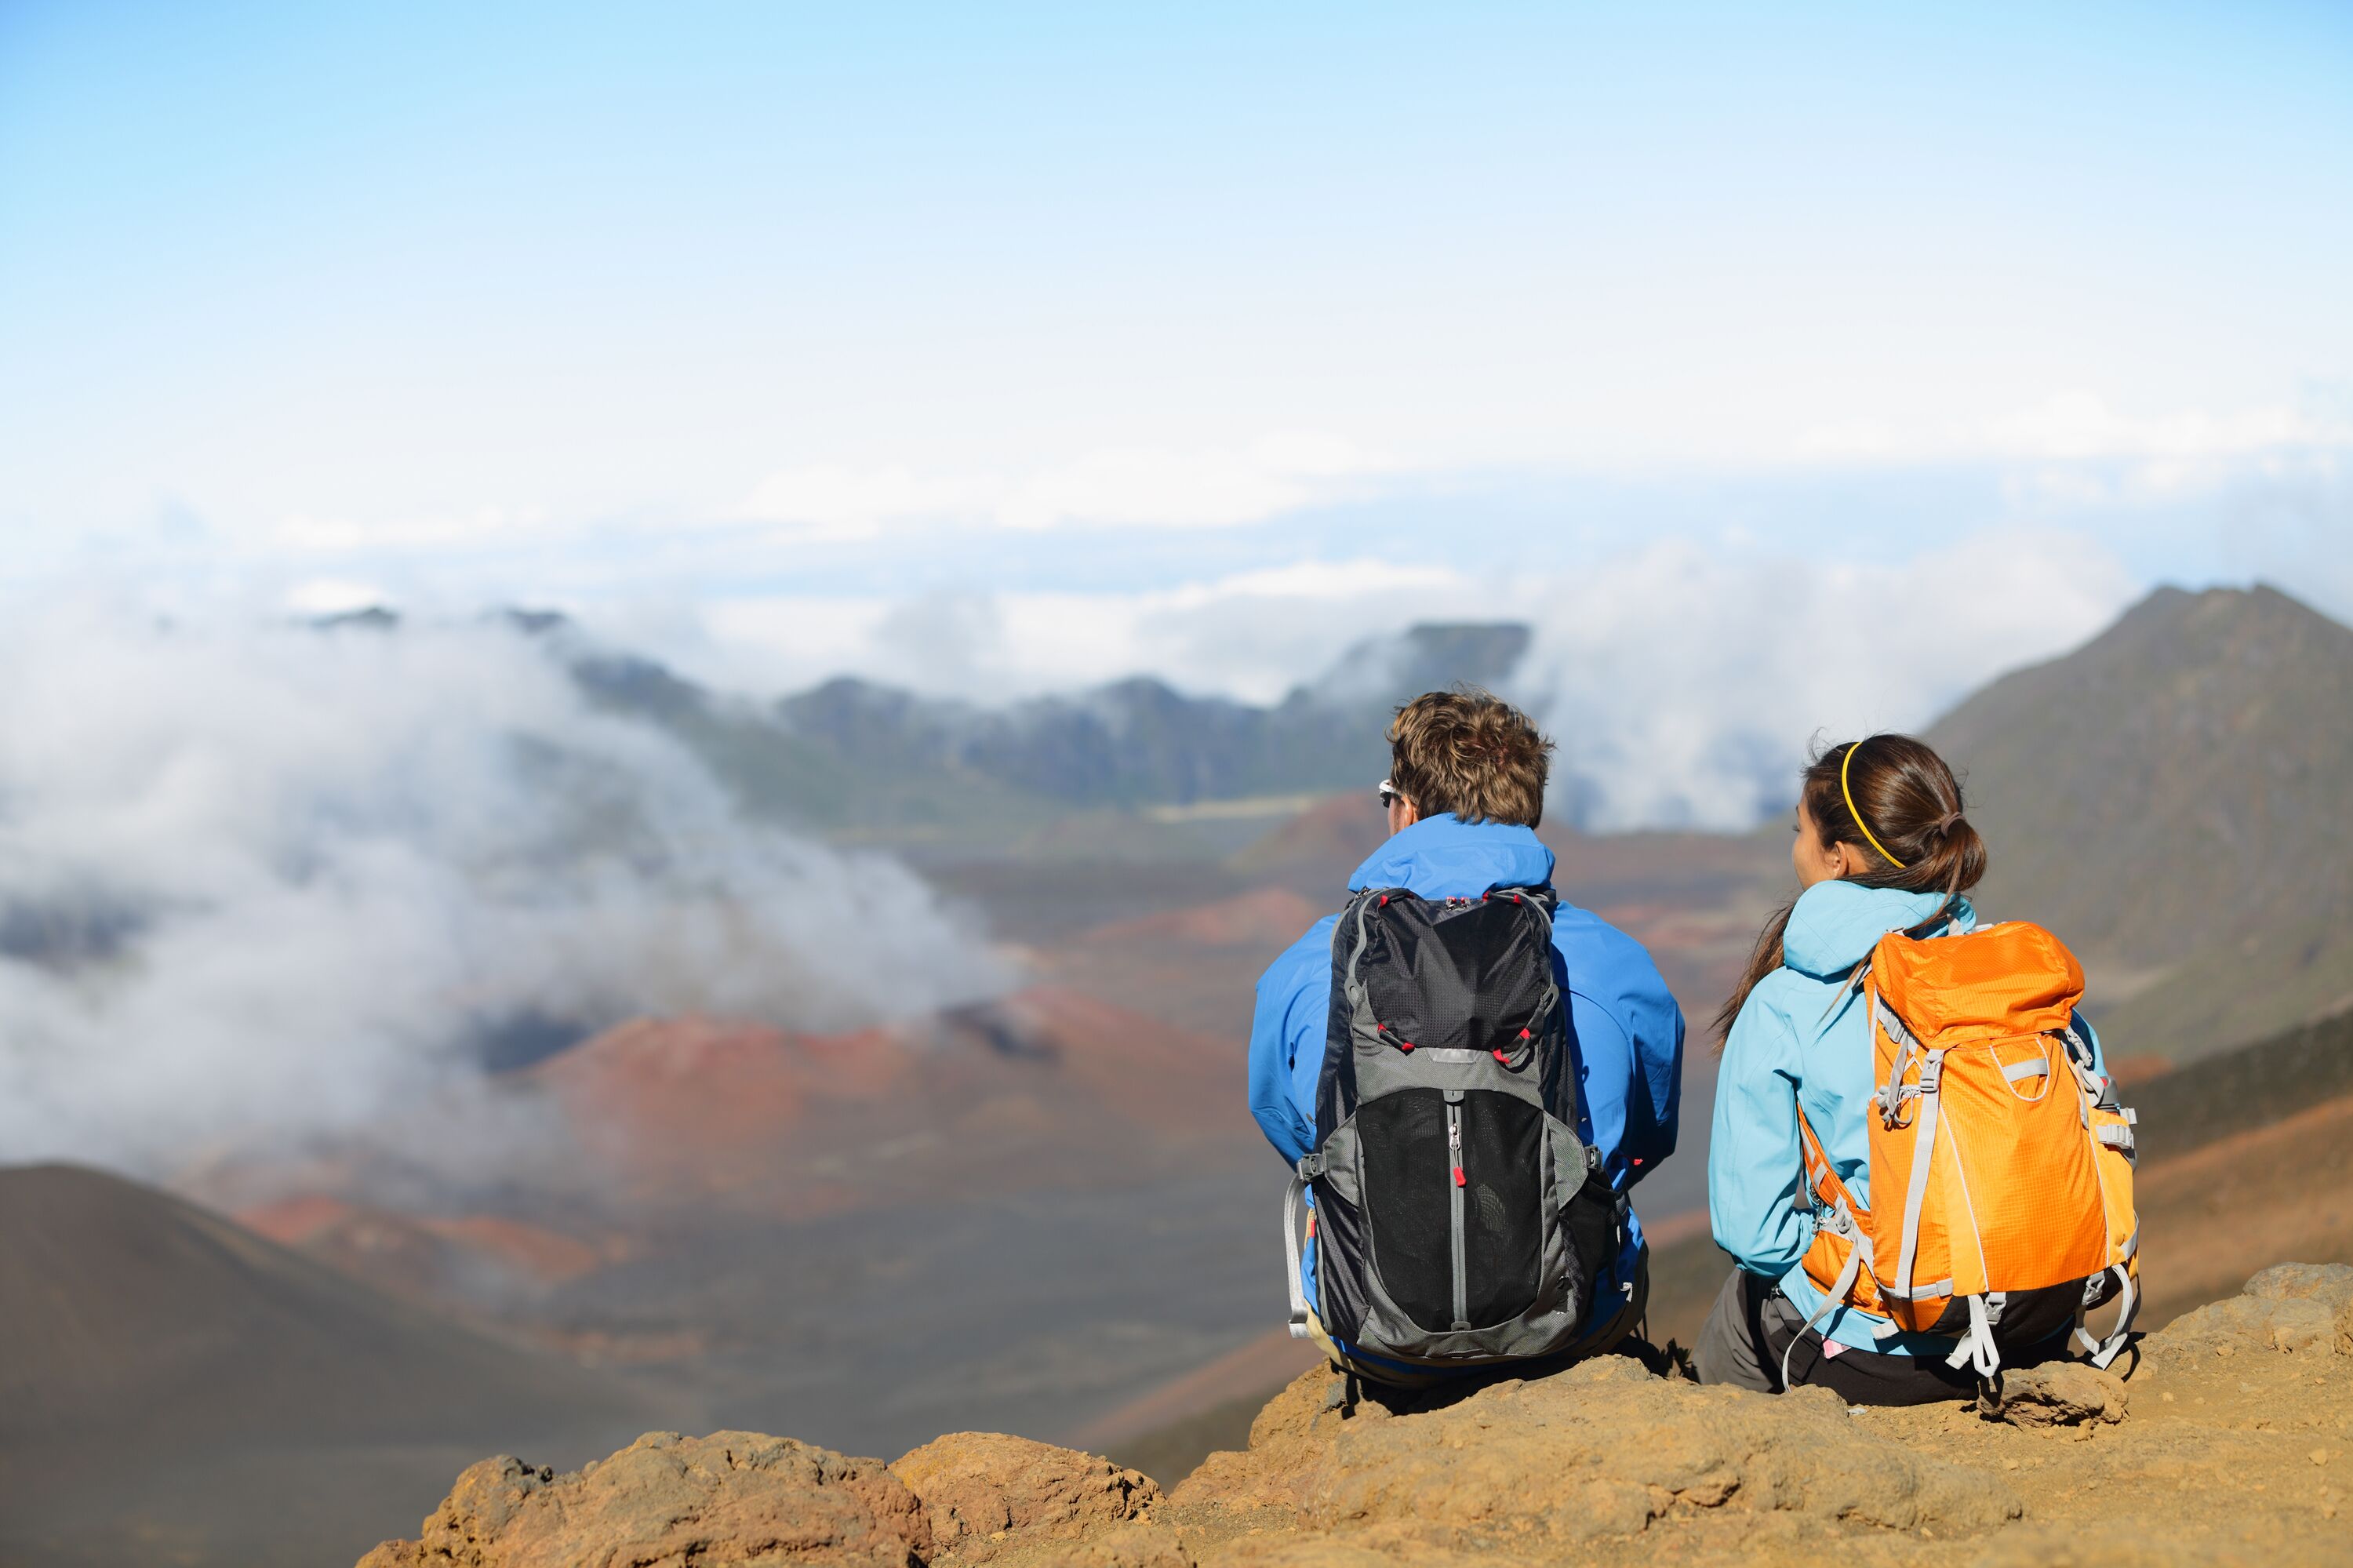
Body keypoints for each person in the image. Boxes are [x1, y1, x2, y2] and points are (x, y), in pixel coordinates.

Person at [1247, 689, 1684, 1385]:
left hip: (1376, 1336)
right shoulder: (1618, 963)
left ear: (1409, 808)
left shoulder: (1311, 965)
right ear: (1526, 812)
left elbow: (1293, 1129)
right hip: (1570, 1331)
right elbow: (1647, 1137)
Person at [1696, 733, 2111, 1402]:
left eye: (1799, 830)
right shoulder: (2020, 979)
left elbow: (1754, 1230)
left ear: (1836, 856)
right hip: (2038, 1322)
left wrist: (1856, 1250)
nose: (1795, 846)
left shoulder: (1787, 1003)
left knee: (1739, 1308)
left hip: (1878, 1354)